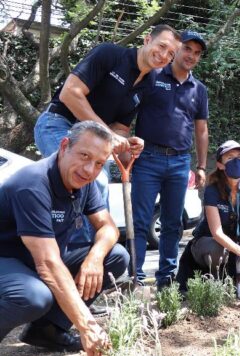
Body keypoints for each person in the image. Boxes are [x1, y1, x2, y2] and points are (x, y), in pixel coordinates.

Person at [33, 24, 181, 243]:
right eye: (162, 46)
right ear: (147, 40)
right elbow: (70, 94)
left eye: (171, 54)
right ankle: (81, 252)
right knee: (93, 179)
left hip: (93, 140)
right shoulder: (110, 54)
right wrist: (108, 135)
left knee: (96, 184)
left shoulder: (149, 83)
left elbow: (119, 128)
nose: (163, 55)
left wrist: (128, 147)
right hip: (58, 124)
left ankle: (96, 256)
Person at [0, 122, 129, 356]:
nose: (90, 169)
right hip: (7, 260)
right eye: (84, 156)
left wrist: (95, 258)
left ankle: (47, 330)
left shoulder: (84, 182)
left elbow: (108, 227)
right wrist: (87, 326)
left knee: (116, 256)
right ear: (64, 146)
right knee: (33, 296)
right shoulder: (33, 183)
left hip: (37, 261)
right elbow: (47, 264)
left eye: (99, 163)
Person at [131, 30, 209, 289]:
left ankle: (166, 277)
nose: (191, 56)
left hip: (179, 163)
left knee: (173, 224)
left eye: (197, 53)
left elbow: (201, 130)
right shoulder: (152, 75)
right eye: (187, 49)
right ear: (176, 48)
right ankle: (136, 278)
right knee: (141, 221)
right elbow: (128, 107)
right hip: (146, 158)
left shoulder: (199, 89)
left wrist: (200, 166)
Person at [175, 141, 240, 299]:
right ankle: (215, 281)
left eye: (239, 157)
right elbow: (216, 232)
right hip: (208, 241)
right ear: (220, 164)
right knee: (218, 246)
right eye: (230, 157)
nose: (236, 161)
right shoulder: (212, 189)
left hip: (236, 238)